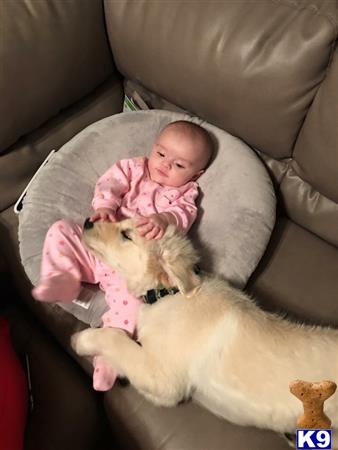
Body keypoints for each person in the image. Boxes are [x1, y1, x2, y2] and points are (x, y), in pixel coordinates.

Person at [32, 120, 213, 391]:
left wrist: (164, 219)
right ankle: (63, 275)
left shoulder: (186, 193)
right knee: (61, 230)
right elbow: (110, 183)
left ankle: (108, 357)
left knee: (132, 304)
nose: (164, 165)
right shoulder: (134, 167)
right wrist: (105, 206)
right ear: (153, 148)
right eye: (161, 154)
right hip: (101, 245)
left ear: (195, 175)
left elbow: (184, 216)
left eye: (178, 165)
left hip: (129, 268)